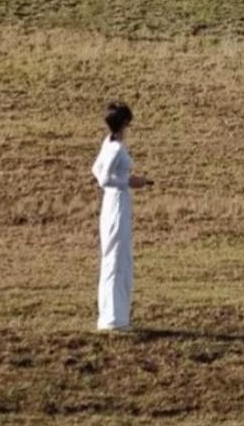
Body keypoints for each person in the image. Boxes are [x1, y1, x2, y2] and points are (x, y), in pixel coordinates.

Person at [91, 101, 153, 332]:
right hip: (117, 201)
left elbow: (96, 170)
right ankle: (114, 318)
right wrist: (129, 182)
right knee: (117, 257)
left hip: (115, 201)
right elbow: (103, 178)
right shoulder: (115, 148)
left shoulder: (108, 144)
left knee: (114, 256)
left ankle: (114, 314)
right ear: (124, 123)